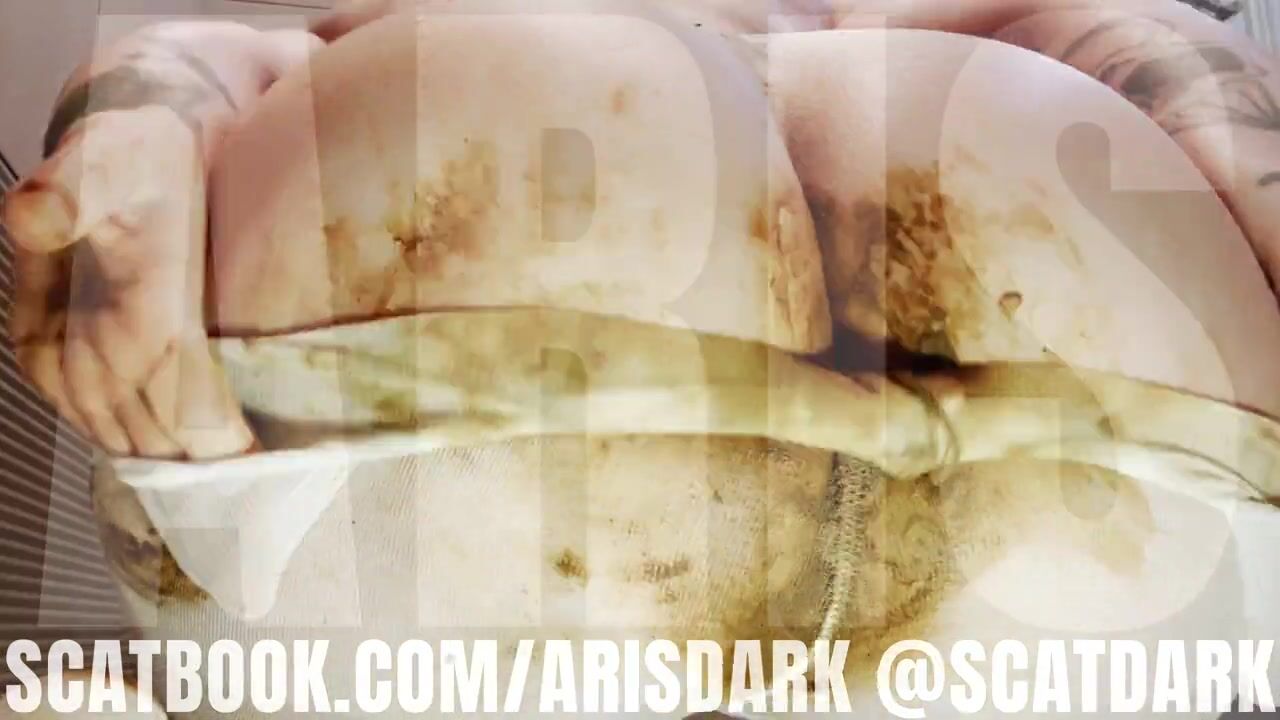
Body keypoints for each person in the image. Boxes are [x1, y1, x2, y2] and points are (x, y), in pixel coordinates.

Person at [2, 2, 1279, 717]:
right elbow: (227, 55)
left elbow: (1137, 39)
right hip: (1136, 485)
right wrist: (136, 130)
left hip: (1137, 477)